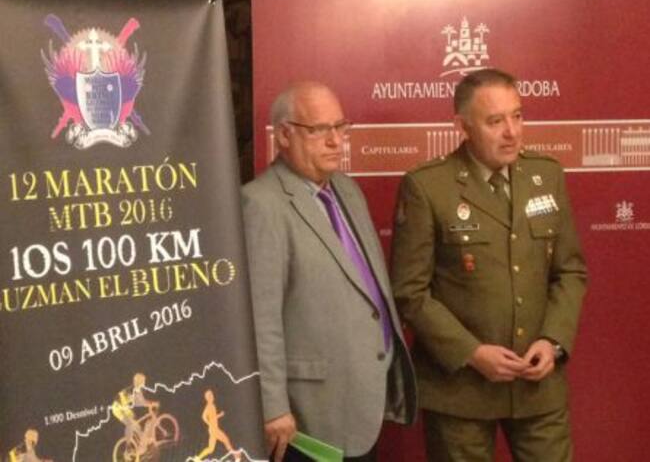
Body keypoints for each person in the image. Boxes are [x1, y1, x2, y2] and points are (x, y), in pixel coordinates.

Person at [390, 68, 587, 461]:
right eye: (495, 121)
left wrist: (553, 341)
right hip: (461, 389)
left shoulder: (546, 174)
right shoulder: (428, 186)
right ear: (462, 126)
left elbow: (570, 271)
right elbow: (409, 292)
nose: (511, 132)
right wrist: (471, 352)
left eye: (518, 116)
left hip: (537, 385)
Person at [242, 81, 417, 462]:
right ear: (284, 136)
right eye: (319, 129)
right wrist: (272, 406)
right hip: (308, 414)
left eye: (340, 127)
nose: (336, 140)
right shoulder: (261, 203)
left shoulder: (347, 190)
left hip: (361, 399)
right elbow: (260, 317)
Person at [195, 389, 240, 461]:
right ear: (207, 398)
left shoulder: (212, 405)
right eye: (210, 395)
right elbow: (204, 416)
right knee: (225, 440)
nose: (212, 396)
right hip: (214, 429)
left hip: (213, 429)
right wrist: (210, 422)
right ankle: (236, 456)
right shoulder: (209, 406)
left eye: (212, 395)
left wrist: (218, 416)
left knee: (211, 448)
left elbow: (211, 417)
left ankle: (197, 458)